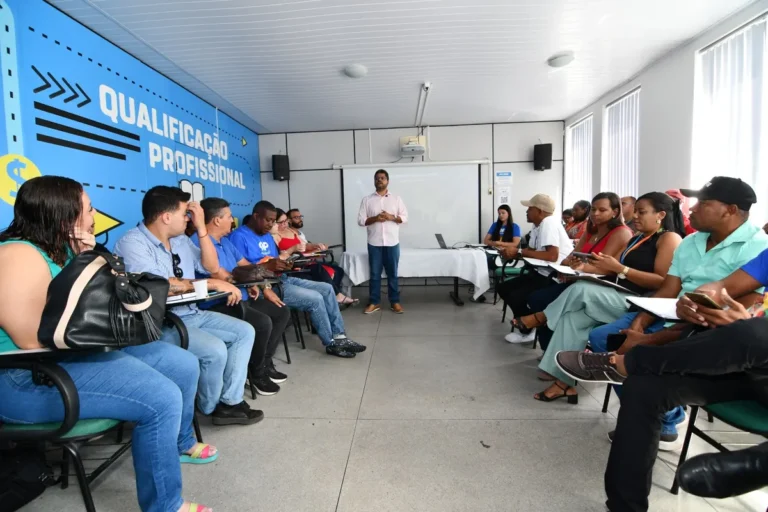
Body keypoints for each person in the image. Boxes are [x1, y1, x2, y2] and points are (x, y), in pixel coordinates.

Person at [0, 176, 217, 512]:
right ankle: (165, 505)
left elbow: (87, 316)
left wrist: (83, 258)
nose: (93, 216)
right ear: (64, 216)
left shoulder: (58, 252)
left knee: (183, 364)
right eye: (87, 209)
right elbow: (33, 339)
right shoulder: (17, 254)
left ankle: (179, 442)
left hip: (67, 357)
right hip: (27, 378)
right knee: (162, 396)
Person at [554, 257, 768, 512]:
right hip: (747, 370)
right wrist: (695, 299)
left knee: (754, 333)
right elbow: (720, 286)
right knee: (644, 388)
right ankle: (625, 506)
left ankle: (627, 362)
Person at [585, 177, 768, 448]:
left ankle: (660, 417)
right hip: (672, 310)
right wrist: (639, 322)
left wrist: (646, 339)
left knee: (636, 354)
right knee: (603, 338)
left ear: (729, 210)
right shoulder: (692, 241)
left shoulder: (757, 245)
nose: (691, 209)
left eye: (703, 203)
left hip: (709, 327)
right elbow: (669, 289)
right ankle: (662, 411)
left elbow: (736, 311)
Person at [516, 193, 686, 403]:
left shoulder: (668, 238)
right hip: (617, 292)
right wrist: (591, 267)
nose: (635, 216)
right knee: (572, 319)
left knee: (581, 289)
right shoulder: (638, 238)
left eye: (641, 212)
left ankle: (541, 316)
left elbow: (663, 282)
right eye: (636, 211)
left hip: (640, 302)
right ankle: (564, 383)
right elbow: (615, 270)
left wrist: (621, 269)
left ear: (660, 215)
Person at [115, 186, 262, 426]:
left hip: (192, 313)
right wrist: (211, 283)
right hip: (161, 323)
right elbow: (162, 286)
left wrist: (202, 229)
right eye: (185, 213)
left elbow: (211, 266)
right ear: (166, 216)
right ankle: (210, 407)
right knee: (215, 350)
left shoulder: (182, 239)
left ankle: (230, 403)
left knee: (245, 331)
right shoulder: (132, 243)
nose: (188, 218)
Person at [230, 201, 365, 358]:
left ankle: (340, 336)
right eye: (268, 220)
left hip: (282, 278)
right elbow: (242, 271)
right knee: (315, 299)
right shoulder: (239, 237)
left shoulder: (266, 235)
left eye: (274, 221)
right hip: (266, 287)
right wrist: (269, 266)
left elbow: (274, 260)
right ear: (256, 216)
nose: (271, 225)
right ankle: (331, 343)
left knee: (327, 289)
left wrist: (284, 263)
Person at [191, 198, 292, 396]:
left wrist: (257, 284)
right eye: (229, 217)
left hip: (241, 296)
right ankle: (255, 373)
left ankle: (264, 361)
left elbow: (245, 266)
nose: (233, 220)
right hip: (217, 302)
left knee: (281, 311)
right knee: (262, 322)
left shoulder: (226, 242)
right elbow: (218, 274)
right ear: (217, 220)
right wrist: (263, 269)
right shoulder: (198, 243)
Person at [505, 192, 633, 345]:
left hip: (598, 285)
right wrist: (569, 264)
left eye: (602, 210)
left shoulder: (621, 232)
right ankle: (548, 347)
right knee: (537, 298)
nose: (595, 213)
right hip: (575, 278)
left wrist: (580, 266)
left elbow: (605, 268)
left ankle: (545, 336)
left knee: (539, 300)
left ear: (615, 212)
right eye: (593, 209)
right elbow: (569, 258)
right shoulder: (591, 231)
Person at [494, 193, 573, 325]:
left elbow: (552, 256)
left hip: (553, 277)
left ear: (540, 211)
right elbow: (531, 251)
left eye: (530, 208)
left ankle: (528, 325)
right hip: (540, 272)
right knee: (503, 288)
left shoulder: (549, 223)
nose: (527, 211)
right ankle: (525, 323)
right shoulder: (537, 225)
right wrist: (513, 253)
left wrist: (518, 251)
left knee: (516, 296)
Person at [276, 208, 357, 306]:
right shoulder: (275, 236)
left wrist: (316, 246)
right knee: (318, 270)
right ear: (274, 223)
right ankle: (335, 298)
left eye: (286, 221)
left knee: (323, 270)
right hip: (293, 266)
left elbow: (305, 245)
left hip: (304, 262)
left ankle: (334, 299)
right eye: (281, 222)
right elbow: (281, 255)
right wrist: (293, 249)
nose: (285, 224)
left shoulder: (291, 231)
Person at [357, 169, 408, 314]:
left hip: (392, 243)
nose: (380, 180)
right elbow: (361, 221)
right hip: (374, 243)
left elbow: (404, 218)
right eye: (377, 178)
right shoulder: (367, 200)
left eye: (382, 178)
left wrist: (391, 217)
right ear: (374, 181)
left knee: (393, 274)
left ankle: (395, 302)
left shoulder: (396, 199)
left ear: (387, 181)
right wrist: (375, 218)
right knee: (374, 275)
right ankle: (374, 302)